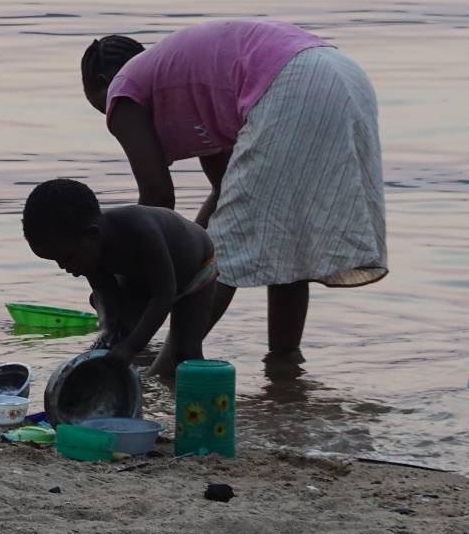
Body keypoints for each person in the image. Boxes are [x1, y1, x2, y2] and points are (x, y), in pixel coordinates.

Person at [79, 19, 386, 371]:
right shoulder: (187, 84)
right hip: (342, 75)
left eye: (102, 108)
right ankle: (284, 365)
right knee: (287, 234)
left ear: (103, 85)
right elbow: (225, 191)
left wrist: (138, 280)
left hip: (291, 80)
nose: (116, 121)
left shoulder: (122, 89)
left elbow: (157, 196)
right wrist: (189, 252)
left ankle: (167, 373)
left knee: (222, 250)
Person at [22, 178, 218, 381]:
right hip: (141, 280)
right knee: (117, 337)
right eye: (57, 262)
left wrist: (131, 347)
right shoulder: (89, 251)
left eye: (66, 258)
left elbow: (164, 294)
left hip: (196, 269)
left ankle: (205, 407)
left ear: (92, 236)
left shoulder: (140, 230)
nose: (64, 268)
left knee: (185, 353)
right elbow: (102, 288)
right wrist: (107, 329)